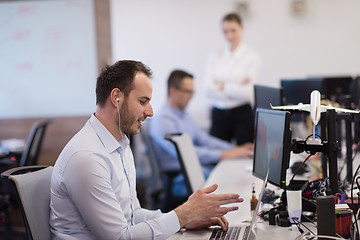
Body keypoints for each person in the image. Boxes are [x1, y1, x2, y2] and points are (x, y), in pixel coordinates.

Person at [49, 60, 244, 240]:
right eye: (143, 102)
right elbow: (120, 237)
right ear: (116, 97)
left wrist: (182, 220)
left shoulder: (120, 144)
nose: (150, 112)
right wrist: (183, 214)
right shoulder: (86, 158)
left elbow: (133, 214)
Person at [149, 70, 254, 197]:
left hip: (195, 170)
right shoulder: (163, 120)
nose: (191, 96)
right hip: (179, 179)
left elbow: (205, 140)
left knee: (233, 176)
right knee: (228, 182)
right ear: (173, 91)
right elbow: (187, 154)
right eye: (188, 91)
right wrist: (226, 154)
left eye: (192, 92)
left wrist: (234, 149)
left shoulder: (183, 114)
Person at [205, 12, 261, 145]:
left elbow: (249, 93)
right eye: (225, 31)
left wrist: (223, 86)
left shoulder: (252, 57)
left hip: (242, 114)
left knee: (246, 153)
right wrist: (237, 88)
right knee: (217, 154)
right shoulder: (214, 57)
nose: (229, 35)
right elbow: (208, 89)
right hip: (218, 113)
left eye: (233, 30)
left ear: (242, 28)